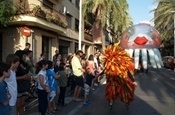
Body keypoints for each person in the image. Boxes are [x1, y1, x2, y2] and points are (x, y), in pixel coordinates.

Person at [15, 50, 32, 115]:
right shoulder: (16, 65)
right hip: (18, 86)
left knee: (22, 104)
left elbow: (28, 72)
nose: (25, 57)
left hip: (25, 86)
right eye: (24, 56)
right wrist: (22, 77)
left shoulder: (25, 64)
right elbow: (12, 77)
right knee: (17, 105)